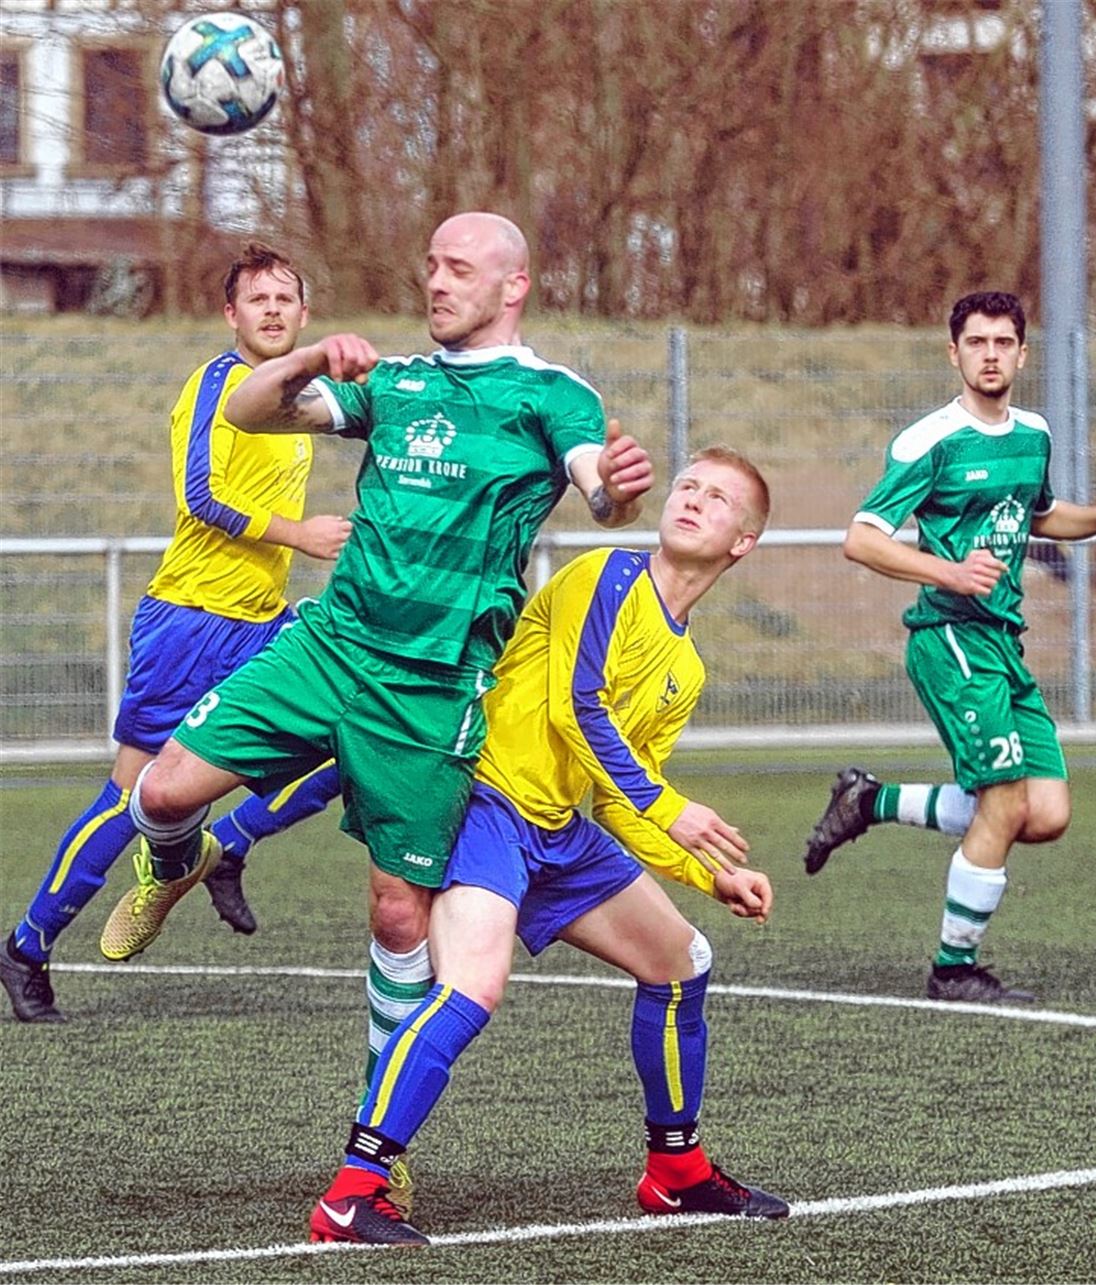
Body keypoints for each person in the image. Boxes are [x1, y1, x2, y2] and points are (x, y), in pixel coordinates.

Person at [98, 210, 653, 1109]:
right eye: (431, 264)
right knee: (158, 793)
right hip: (331, 644)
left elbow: (600, 488)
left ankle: (377, 1134)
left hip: (431, 691)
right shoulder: (395, 382)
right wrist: (308, 359)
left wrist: (618, 492)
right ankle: (174, 865)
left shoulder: (554, 395)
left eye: (460, 268)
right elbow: (250, 408)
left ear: (513, 286)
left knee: (398, 913)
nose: (436, 281)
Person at [308, 447, 790, 1247]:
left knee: (681, 963)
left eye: (719, 498)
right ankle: (353, 1192)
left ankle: (675, 1173)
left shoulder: (685, 666)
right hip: (488, 802)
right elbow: (577, 709)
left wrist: (712, 871)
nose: (694, 500)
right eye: (688, 486)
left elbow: (617, 795)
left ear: (743, 541)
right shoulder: (607, 576)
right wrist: (671, 811)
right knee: (472, 986)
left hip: (560, 830)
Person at [0, 242, 349, 1025]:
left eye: (284, 298)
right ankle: (26, 944)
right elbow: (200, 497)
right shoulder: (217, 386)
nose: (270, 309)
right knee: (129, 797)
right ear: (231, 313)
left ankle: (227, 846)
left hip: (260, 627)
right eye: (255, 298)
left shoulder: (303, 400)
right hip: (190, 624)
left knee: (357, 727)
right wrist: (299, 534)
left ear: (304, 314)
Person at [801, 291, 1096, 1003]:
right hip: (950, 636)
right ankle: (953, 968)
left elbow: (1041, 517)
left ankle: (869, 801)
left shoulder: (1034, 434)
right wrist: (948, 571)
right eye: (977, 341)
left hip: (1004, 642)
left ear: (1023, 352)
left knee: (1044, 812)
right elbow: (860, 538)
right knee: (1006, 800)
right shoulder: (931, 441)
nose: (991, 353)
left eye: (1004, 341)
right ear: (952, 352)